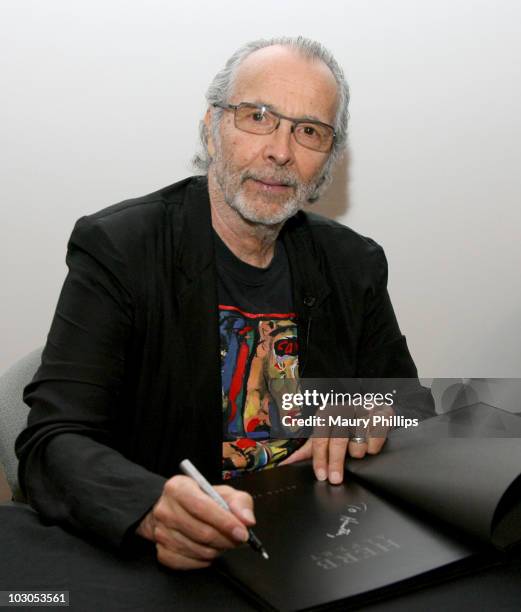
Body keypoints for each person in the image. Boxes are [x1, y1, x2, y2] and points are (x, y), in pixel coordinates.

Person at [15, 36, 433, 571]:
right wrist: (150, 507)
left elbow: (413, 409)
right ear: (212, 127)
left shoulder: (354, 263)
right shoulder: (120, 247)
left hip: (316, 546)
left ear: (327, 158)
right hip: (172, 561)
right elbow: (52, 441)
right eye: (257, 116)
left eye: (309, 131)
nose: (280, 151)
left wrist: (353, 413)